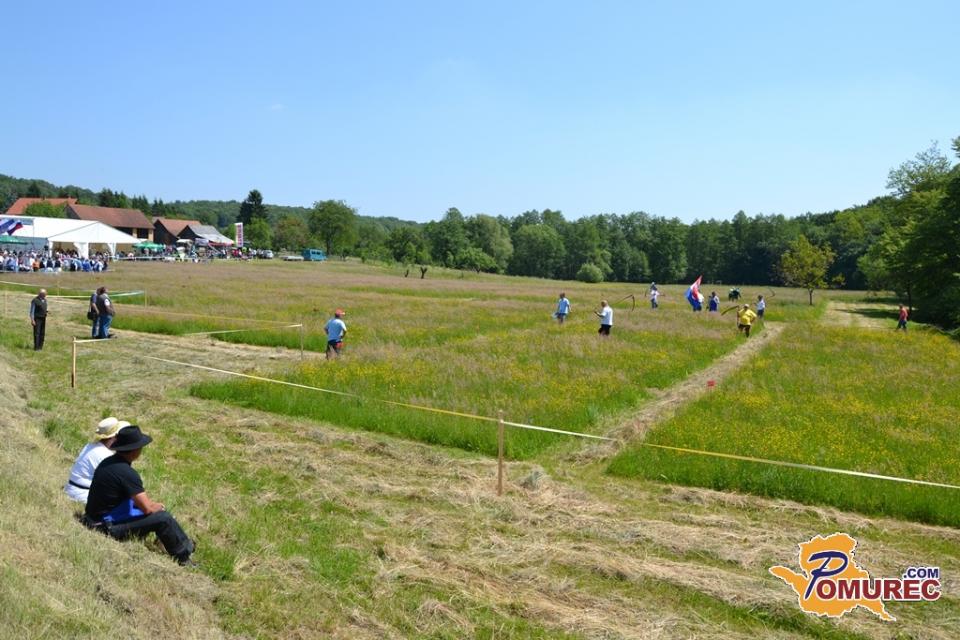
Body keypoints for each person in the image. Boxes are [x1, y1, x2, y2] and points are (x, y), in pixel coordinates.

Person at [84, 425, 196, 566]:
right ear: (135, 450)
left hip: (93, 519)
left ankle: (175, 543)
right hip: (106, 528)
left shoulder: (108, 462)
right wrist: (157, 507)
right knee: (164, 518)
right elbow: (147, 509)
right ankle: (184, 556)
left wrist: (152, 505)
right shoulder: (127, 473)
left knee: (157, 513)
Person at [64, 418, 127, 503]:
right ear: (114, 437)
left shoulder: (90, 446)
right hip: (83, 495)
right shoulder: (106, 455)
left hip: (71, 489)